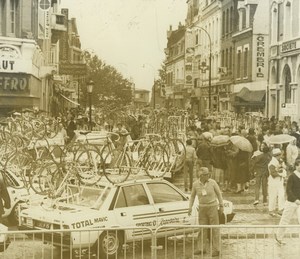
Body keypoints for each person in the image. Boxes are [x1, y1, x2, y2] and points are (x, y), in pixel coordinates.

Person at [188, 167, 224, 257]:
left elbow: (219, 194)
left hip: (212, 207)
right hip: (202, 208)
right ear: (201, 176)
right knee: (202, 228)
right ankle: (201, 248)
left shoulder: (213, 182)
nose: (208, 176)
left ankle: (217, 249)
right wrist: (190, 207)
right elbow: (192, 196)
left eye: (208, 174)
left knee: (215, 229)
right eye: (206, 174)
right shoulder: (195, 184)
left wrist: (221, 205)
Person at [275, 159, 300, 245]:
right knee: (285, 220)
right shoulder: (292, 176)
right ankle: (279, 237)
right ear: (296, 166)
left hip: (299, 203)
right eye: (298, 165)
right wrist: (295, 199)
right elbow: (288, 190)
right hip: (291, 202)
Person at [268, 148, 287, 217]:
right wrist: (280, 173)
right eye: (279, 155)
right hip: (273, 182)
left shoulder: (280, 161)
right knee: (273, 196)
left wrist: (282, 167)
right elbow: (273, 173)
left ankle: (281, 209)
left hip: (279, 181)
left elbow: (284, 168)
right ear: (275, 156)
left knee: (281, 195)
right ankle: (271, 210)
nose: (280, 157)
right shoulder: (272, 163)